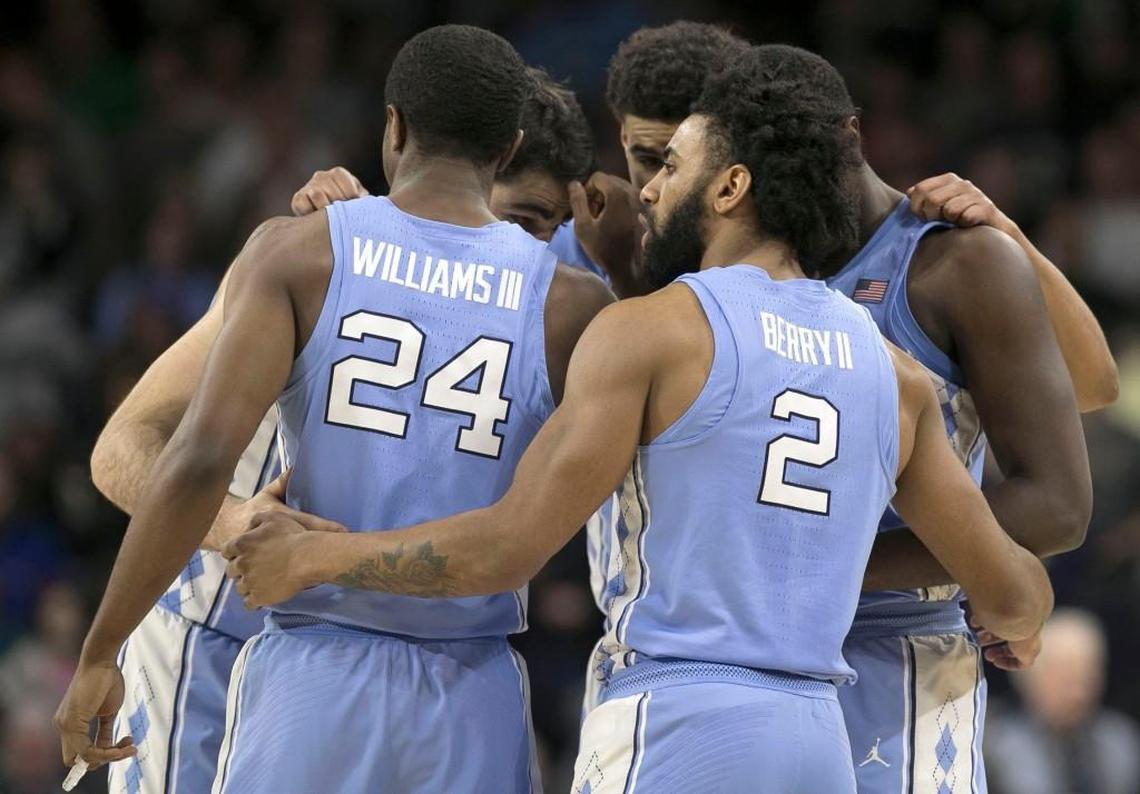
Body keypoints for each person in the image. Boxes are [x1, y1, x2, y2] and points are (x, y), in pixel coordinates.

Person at [225, 45, 1053, 793]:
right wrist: (1013, 622)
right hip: (817, 741)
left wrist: (314, 555)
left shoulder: (651, 332)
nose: (646, 188)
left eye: (673, 165)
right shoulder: (894, 374)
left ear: (731, 188)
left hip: (678, 721)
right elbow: (1017, 589)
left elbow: (508, 547)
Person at [56, 24, 612, 793]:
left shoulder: (301, 250)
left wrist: (95, 652)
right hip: (468, 679)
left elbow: (194, 461)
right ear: (507, 150)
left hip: (311, 662)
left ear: (393, 126)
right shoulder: (575, 305)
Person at [579, 26, 1113, 791]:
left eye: (672, 159)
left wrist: (820, 566)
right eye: (648, 159)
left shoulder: (948, 257)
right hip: (704, 659)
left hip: (896, 654)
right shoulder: (682, 273)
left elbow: (1073, 448)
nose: (657, 189)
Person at [985, 609, 1140, 794]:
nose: (1078, 693)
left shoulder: (1121, 740)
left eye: (1087, 675)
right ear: (1028, 676)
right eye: (1064, 677)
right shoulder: (993, 744)